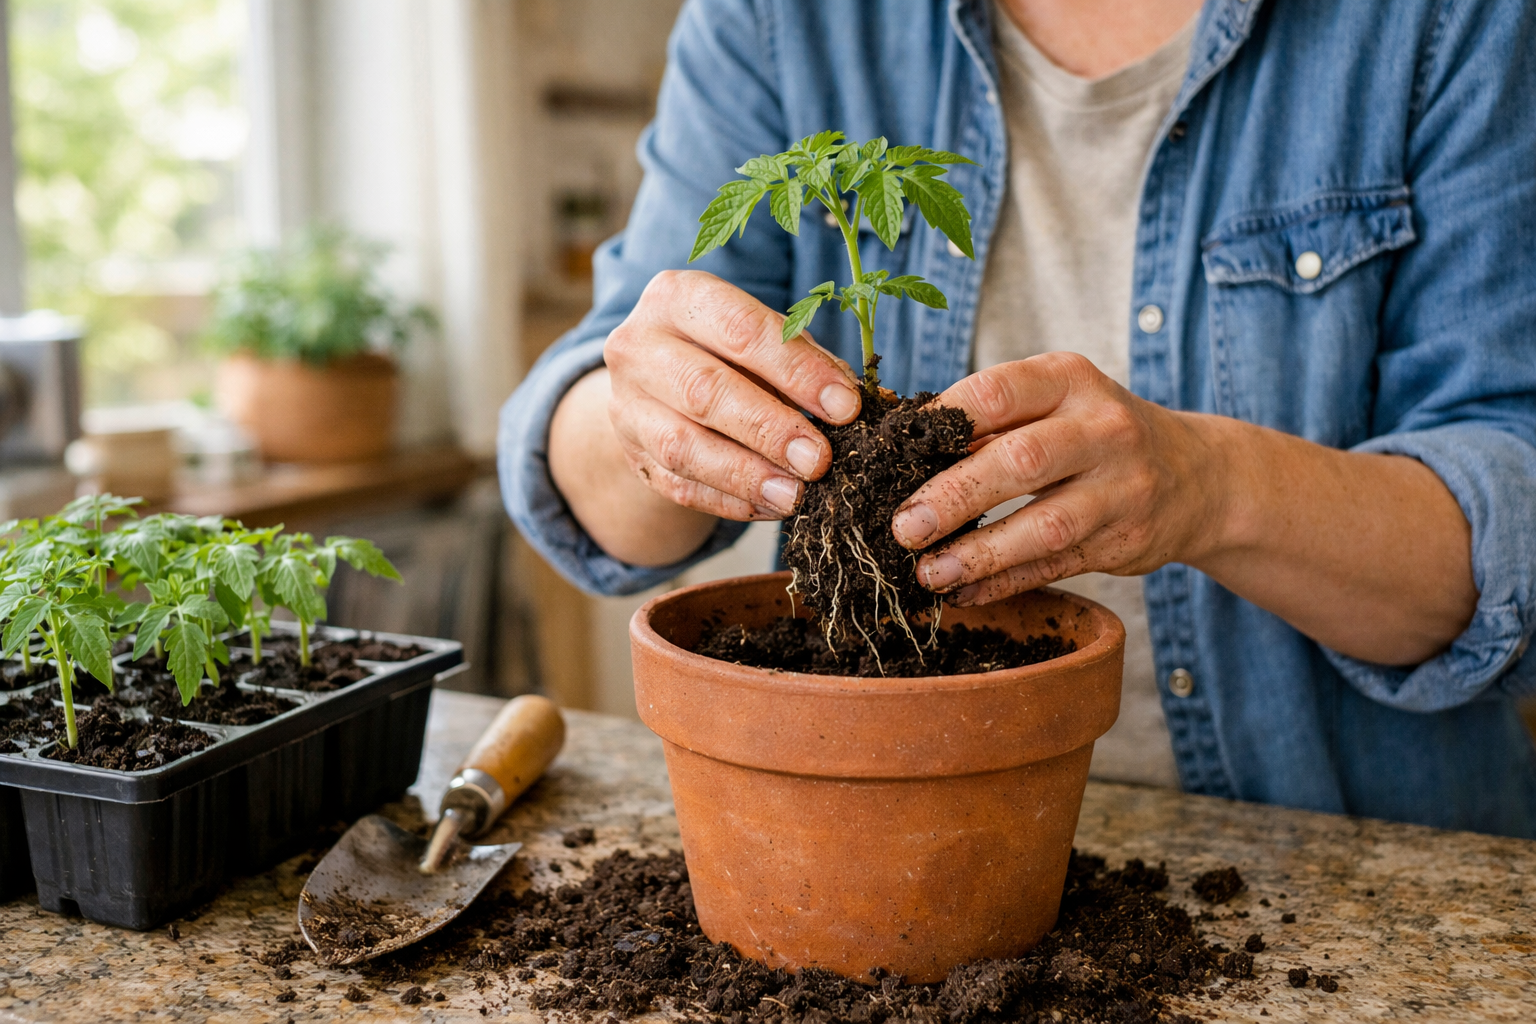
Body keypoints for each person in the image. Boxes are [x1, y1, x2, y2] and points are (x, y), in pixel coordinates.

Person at [500, 0, 1536, 837]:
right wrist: (642, 419)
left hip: (1332, 859)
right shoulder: (779, 19)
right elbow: (602, 446)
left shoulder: (1444, 21)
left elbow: (1508, 503)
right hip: (878, 835)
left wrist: (1210, 485)